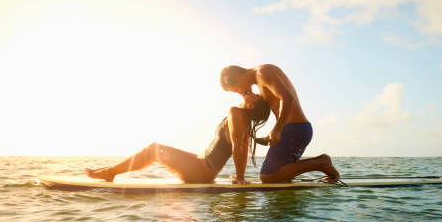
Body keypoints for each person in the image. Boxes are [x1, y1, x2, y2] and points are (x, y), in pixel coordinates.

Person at [85, 97, 270, 184]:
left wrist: (240, 177)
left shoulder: (236, 112)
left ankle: (110, 172)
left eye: (255, 96)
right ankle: (110, 171)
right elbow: (241, 147)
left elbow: (239, 147)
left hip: (201, 170)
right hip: (203, 167)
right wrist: (239, 176)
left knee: (154, 149)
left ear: (251, 105)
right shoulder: (244, 122)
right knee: (157, 150)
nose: (251, 92)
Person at [220, 64, 340, 183]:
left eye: (236, 91)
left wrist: (277, 129)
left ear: (236, 79)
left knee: (268, 177)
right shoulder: (260, 80)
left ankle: (321, 163)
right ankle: (313, 165)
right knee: (279, 173)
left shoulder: (263, 72)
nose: (241, 93)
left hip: (294, 129)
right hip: (294, 129)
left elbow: (287, 98)